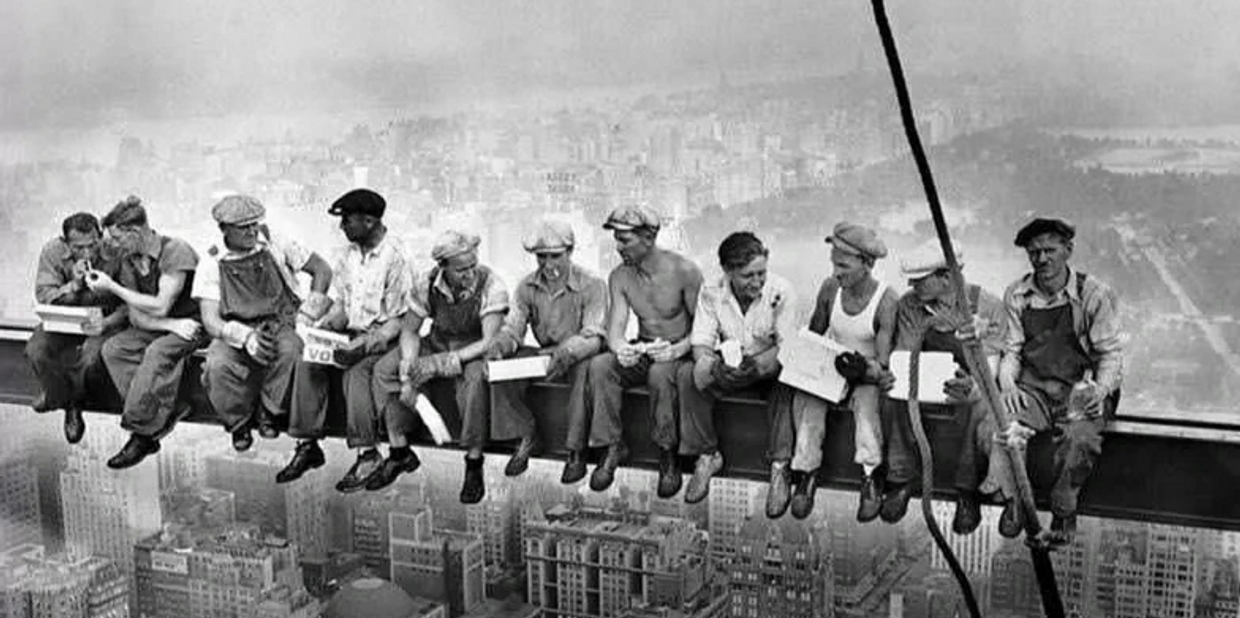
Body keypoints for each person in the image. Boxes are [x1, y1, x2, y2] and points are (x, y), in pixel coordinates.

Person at [981, 217, 1123, 545]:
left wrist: (1099, 391)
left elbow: (1110, 355)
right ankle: (1015, 500)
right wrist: (1008, 385)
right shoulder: (1017, 294)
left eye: (1049, 250)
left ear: (1067, 251)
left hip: (1081, 389)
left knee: (1080, 440)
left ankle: (1063, 506)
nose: (1042, 259)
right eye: (1034, 253)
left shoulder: (1093, 294)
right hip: (1036, 387)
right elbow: (1012, 350)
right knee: (1005, 426)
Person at [275, 188, 410, 493]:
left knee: (356, 374)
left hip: (384, 340)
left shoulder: (397, 258)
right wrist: (322, 329)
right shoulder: (348, 256)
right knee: (308, 361)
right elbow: (343, 307)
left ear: (370, 221)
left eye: (348, 221)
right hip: (352, 333)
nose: (343, 227)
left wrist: (364, 345)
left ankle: (367, 453)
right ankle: (307, 444)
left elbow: (398, 320)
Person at [878, 242, 1007, 533]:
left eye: (919, 279)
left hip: (968, 384)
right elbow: (905, 353)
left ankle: (966, 490)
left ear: (946, 277)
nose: (911, 284)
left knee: (978, 405)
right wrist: (896, 375)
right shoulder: (911, 305)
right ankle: (901, 477)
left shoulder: (987, 306)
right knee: (892, 396)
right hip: (926, 381)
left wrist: (972, 385)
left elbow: (991, 371)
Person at [371, 230, 509, 503]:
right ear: (443, 267)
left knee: (474, 383)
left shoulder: (493, 285)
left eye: (473, 266)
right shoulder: (427, 282)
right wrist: (408, 369)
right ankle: (399, 449)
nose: (469, 274)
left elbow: (488, 340)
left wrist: (440, 364)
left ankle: (473, 461)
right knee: (385, 369)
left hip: (472, 350)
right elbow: (410, 330)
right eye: (461, 270)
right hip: (437, 341)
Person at [195, 195, 333, 451]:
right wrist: (244, 337)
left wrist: (307, 315)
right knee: (217, 365)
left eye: (254, 224)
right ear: (224, 229)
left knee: (292, 352)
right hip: (235, 328)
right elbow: (210, 319)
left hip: (280, 321)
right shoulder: (211, 261)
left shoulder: (273, 241)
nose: (251, 231)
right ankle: (238, 423)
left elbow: (322, 270)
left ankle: (270, 412)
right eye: (243, 227)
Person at [587, 205, 703, 497]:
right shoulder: (620, 277)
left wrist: (677, 350)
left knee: (660, 376)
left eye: (624, 240)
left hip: (679, 352)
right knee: (601, 366)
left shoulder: (685, 271)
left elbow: (704, 329)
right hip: (645, 346)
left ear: (648, 238)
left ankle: (668, 454)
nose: (617, 247)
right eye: (616, 238)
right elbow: (616, 327)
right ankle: (612, 445)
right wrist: (621, 348)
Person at [787, 222, 898, 520]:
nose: (837, 272)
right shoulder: (830, 288)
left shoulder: (885, 300)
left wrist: (865, 368)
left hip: (864, 374)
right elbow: (816, 333)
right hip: (833, 366)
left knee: (866, 407)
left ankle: (870, 474)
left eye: (844, 266)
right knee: (809, 401)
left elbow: (884, 362)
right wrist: (807, 363)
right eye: (834, 264)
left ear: (867, 264)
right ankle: (806, 472)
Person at [483, 219, 607, 484]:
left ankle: (575, 450)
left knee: (583, 373)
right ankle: (525, 433)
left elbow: (593, 335)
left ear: (570, 252)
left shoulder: (592, 284)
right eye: (542, 257)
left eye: (555, 256)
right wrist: (500, 346)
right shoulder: (527, 286)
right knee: (501, 371)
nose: (549, 264)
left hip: (579, 352)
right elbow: (514, 326)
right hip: (545, 353)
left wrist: (567, 352)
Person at [88, 196, 207, 468]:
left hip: (193, 325)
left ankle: (142, 434)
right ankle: (167, 409)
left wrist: (113, 288)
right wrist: (169, 326)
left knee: (157, 352)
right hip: (167, 325)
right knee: (114, 349)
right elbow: (136, 314)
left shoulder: (175, 250)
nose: (114, 244)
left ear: (135, 232)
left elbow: (161, 305)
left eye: (117, 238)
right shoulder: (129, 260)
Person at [683, 232, 798, 509]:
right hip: (730, 365)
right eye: (748, 276)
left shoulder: (782, 291)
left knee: (787, 383)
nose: (757, 282)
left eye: (761, 273)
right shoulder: (711, 291)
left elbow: (789, 347)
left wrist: (759, 367)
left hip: (768, 367)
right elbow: (701, 342)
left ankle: (780, 465)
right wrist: (714, 366)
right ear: (728, 271)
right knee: (689, 376)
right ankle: (707, 454)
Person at [25, 212, 126, 444]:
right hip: (63, 318)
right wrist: (75, 285)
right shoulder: (53, 251)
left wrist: (107, 321)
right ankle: (58, 394)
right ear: (66, 243)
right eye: (79, 248)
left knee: (91, 359)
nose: (87, 253)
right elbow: (45, 296)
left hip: (104, 318)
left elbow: (129, 300)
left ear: (100, 237)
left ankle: (74, 405)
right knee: (36, 351)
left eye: (92, 245)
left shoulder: (116, 251)